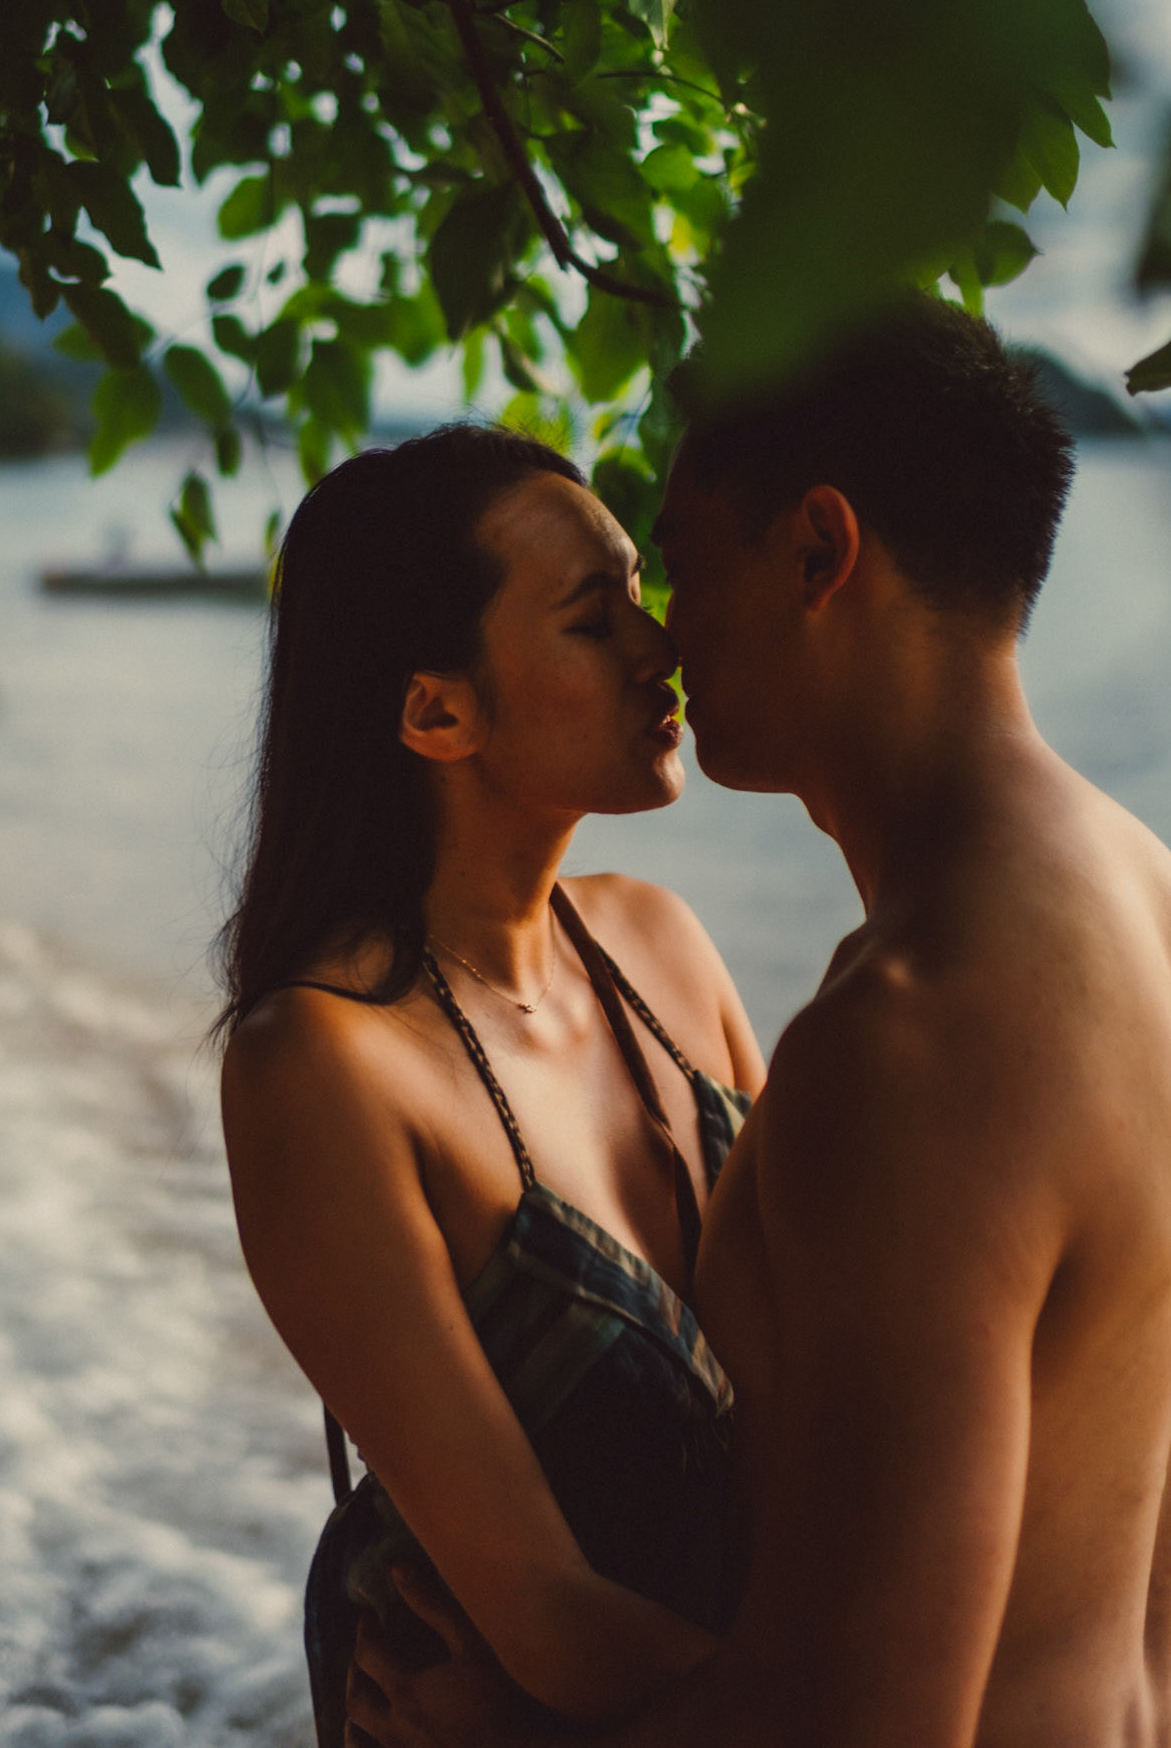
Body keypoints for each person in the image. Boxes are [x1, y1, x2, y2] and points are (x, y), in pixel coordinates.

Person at [347, 297, 1171, 1748]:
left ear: (815, 551)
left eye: (680, 563)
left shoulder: (907, 1034)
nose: (662, 634)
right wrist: (1165, 1596)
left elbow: (869, 1726)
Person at [218, 425, 767, 1742]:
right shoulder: (326, 1062)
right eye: (596, 618)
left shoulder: (659, 943)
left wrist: (1138, 1598)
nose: (660, 645)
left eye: (640, 591)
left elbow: (864, 1373)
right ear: (435, 711)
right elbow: (551, 1619)